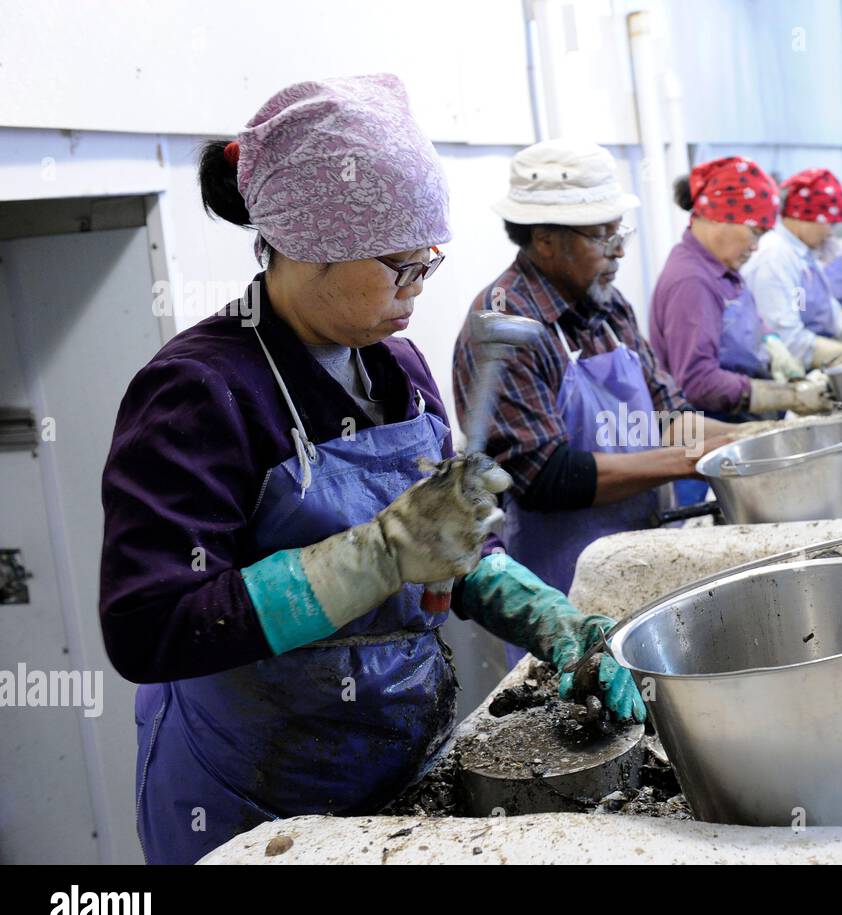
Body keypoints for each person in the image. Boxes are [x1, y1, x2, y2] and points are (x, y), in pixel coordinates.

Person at [100, 77, 643, 866]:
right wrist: (376, 554)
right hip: (257, 805)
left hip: (397, 764)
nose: (419, 290)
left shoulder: (396, 365)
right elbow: (148, 626)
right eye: (402, 267)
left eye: (431, 263)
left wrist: (543, 615)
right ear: (308, 245)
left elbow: (442, 545)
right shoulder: (200, 393)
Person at [453, 139, 736, 650]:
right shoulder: (503, 328)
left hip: (642, 560)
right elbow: (546, 477)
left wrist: (748, 439)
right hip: (565, 593)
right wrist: (687, 461)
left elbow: (668, 411)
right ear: (544, 240)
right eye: (602, 236)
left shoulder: (609, 306)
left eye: (618, 232)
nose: (620, 250)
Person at [649, 156, 833, 421]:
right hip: (720, 432)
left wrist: (773, 346)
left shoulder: (723, 270)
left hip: (749, 419)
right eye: (755, 232)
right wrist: (781, 396)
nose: (756, 246)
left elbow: (746, 324)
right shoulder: (692, 281)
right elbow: (697, 382)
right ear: (718, 217)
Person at [743, 168, 842, 368]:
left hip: (812, 356)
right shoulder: (775, 257)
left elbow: (827, 317)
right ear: (803, 216)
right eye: (829, 223)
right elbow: (789, 340)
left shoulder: (803, 254)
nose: (831, 232)